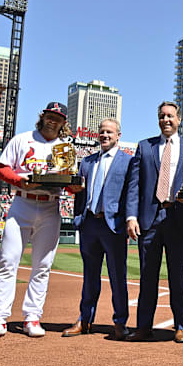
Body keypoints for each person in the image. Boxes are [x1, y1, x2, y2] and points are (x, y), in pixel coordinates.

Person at [0, 102, 80, 341]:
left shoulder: (65, 148)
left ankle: (32, 317)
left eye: (57, 118)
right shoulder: (22, 139)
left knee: (43, 266)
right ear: (42, 117)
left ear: (63, 122)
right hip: (22, 203)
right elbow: (2, 169)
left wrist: (74, 185)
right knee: (7, 261)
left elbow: (69, 181)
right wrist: (23, 183)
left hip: (50, 205)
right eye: (49, 116)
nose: (52, 121)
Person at [124, 102, 183, 343]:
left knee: (177, 276)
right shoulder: (144, 147)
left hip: (178, 218)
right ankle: (143, 326)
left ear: (179, 119)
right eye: (162, 116)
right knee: (148, 276)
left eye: (170, 116)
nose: (166, 120)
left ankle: (180, 326)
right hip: (149, 218)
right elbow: (134, 184)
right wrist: (131, 216)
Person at [62, 118, 134, 341]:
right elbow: (79, 193)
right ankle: (85, 320)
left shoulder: (128, 162)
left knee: (117, 277)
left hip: (113, 226)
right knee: (89, 277)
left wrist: (128, 219)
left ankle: (120, 322)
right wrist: (78, 218)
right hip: (90, 223)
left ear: (118, 135)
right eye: (102, 132)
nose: (105, 135)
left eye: (109, 132)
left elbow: (131, 194)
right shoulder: (87, 162)